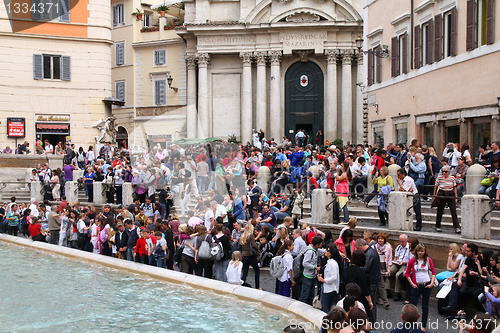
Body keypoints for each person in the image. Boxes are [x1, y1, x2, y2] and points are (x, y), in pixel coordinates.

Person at [405, 244, 436, 331]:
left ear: (425, 252)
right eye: (419, 251)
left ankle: (423, 325)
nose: (420, 253)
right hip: (416, 285)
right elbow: (407, 273)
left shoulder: (428, 260)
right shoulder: (412, 261)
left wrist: (432, 283)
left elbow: (433, 272)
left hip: (426, 284)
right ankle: (412, 323)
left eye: (422, 251)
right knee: (412, 305)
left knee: (425, 306)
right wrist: (412, 283)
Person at [355, 238, 382, 323]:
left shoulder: (369, 254)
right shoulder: (371, 251)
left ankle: (371, 322)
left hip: (371, 281)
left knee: (370, 303)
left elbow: (365, 268)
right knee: (372, 302)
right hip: (374, 279)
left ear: (361, 246)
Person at [434, 165, 461, 233]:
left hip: (450, 193)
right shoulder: (439, 178)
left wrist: (456, 197)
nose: (444, 173)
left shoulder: (452, 178)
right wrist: (435, 196)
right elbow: (436, 187)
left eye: (445, 172)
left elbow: (454, 188)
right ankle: (437, 225)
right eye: (443, 171)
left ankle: (457, 227)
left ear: (448, 172)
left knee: (453, 211)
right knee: (440, 210)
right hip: (442, 192)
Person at [300, 236, 326, 305]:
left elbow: (323, 252)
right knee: (305, 295)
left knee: (311, 295)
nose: (322, 245)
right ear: (317, 245)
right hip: (307, 276)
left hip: (313, 276)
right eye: (321, 244)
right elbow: (305, 263)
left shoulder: (316, 250)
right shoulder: (310, 252)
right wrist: (315, 267)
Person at [318, 243, 340, 313]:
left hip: (330, 289)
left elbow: (334, 277)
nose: (326, 252)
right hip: (327, 288)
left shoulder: (333, 263)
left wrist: (324, 280)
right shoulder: (329, 262)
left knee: (326, 308)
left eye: (327, 251)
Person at [238, 223, 260, 289]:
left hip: (244, 256)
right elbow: (253, 245)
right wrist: (258, 248)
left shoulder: (242, 236)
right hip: (250, 255)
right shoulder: (250, 236)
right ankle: (257, 286)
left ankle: (241, 284)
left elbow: (239, 247)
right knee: (257, 270)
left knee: (245, 272)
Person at [391, 234, 411, 302]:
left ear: (407, 241)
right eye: (400, 241)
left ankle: (398, 293)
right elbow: (396, 257)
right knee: (388, 272)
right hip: (398, 263)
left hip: (405, 265)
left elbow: (410, 260)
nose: (401, 243)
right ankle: (387, 290)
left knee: (397, 275)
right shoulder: (399, 247)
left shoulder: (409, 248)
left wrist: (403, 262)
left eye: (403, 242)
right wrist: (395, 260)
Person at [375, 232, 392, 309]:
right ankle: (386, 301)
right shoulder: (374, 247)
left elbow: (390, 257)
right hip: (377, 268)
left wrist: (388, 267)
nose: (380, 240)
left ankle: (376, 298)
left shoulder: (388, 247)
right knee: (382, 285)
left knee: (380, 284)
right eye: (379, 238)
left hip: (384, 267)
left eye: (381, 239)